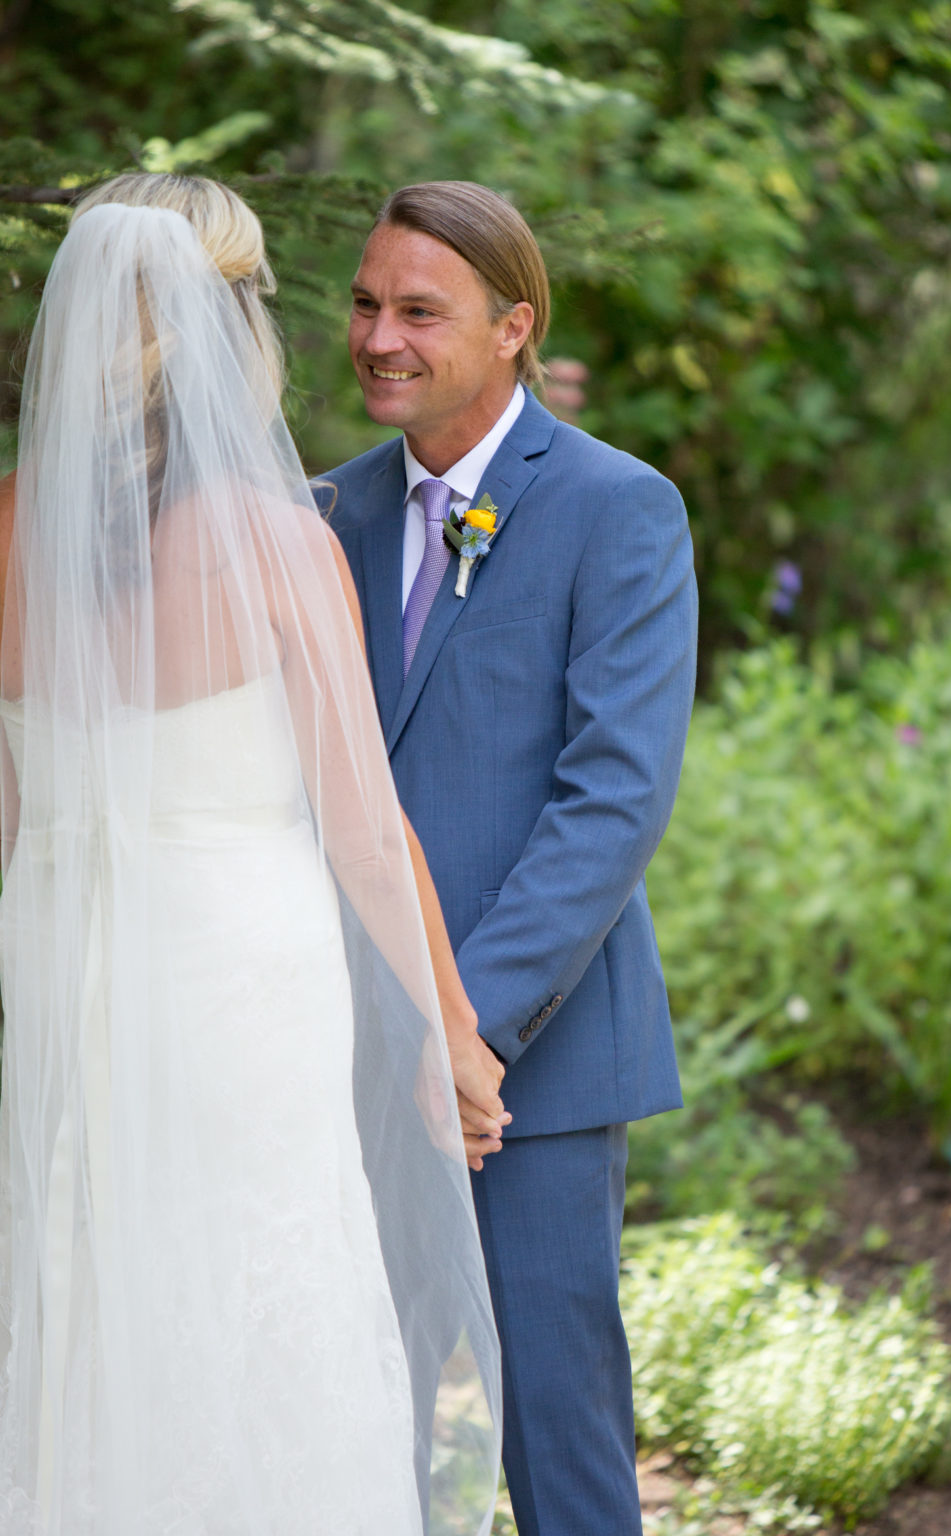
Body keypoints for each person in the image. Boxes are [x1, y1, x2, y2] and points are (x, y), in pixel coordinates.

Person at [0, 174, 504, 1534]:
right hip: (238, 985)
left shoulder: (10, 532)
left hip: (62, 964)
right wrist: (444, 1030)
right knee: (255, 1275)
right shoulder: (283, 546)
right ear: (236, 326)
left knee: (85, 1277)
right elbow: (362, 826)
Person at [316, 181, 698, 1536]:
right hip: (339, 1056)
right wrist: (399, 1031)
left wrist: (462, 1034)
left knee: (560, 1441)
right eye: (366, 303)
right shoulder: (316, 522)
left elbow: (611, 800)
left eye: (420, 309)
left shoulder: (619, 509)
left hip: (529, 1071)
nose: (378, 336)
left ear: (514, 326)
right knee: (356, 1422)